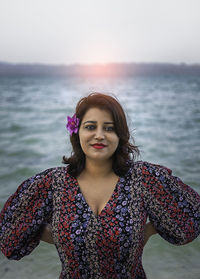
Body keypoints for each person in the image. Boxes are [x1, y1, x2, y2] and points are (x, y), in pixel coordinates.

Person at [0, 93, 199, 279]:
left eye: (109, 128)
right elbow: (9, 234)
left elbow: (191, 217)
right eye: (90, 126)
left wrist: (145, 231)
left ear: (120, 135)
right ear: (77, 131)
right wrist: (61, 236)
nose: (99, 135)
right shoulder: (53, 183)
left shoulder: (143, 178)